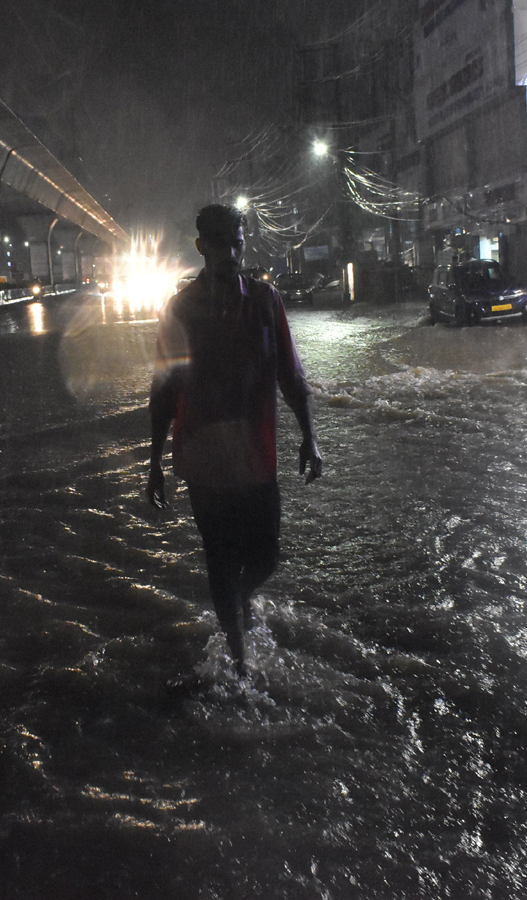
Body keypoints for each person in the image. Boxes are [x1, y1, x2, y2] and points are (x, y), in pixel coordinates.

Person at [148, 203, 322, 674]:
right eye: (222, 244)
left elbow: (291, 373)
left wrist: (310, 437)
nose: (232, 253)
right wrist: (154, 462)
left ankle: (239, 601)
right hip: (204, 460)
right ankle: (239, 659)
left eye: (238, 244)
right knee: (220, 557)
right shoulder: (180, 310)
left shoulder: (265, 301)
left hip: (256, 456)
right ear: (202, 247)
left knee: (267, 555)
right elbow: (163, 392)